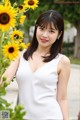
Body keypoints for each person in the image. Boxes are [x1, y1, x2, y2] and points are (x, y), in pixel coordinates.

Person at [0, 9, 70, 120]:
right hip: (22, 117)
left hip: (51, 117)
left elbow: (62, 98)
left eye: (51, 31)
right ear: (36, 28)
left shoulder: (62, 61)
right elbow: (3, 82)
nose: (44, 35)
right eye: (41, 28)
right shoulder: (19, 56)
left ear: (59, 34)